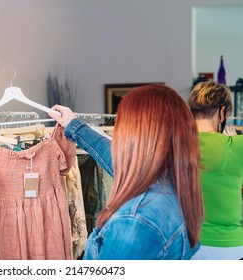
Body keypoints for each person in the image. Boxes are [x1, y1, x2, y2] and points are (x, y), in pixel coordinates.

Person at [48, 84, 204, 260]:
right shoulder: (171, 185)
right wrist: (74, 126)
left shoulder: (135, 221)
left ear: (134, 137)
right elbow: (113, 157)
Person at [188, 81, 243, 260]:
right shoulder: (235, 146)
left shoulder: (175, 146)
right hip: (230, 246)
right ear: (221, 112)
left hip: (188, 244)